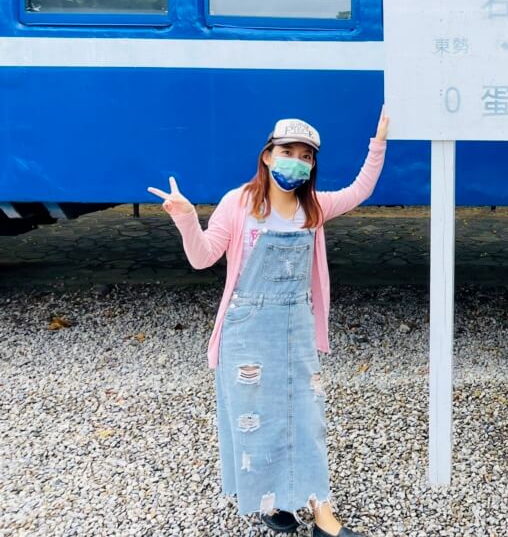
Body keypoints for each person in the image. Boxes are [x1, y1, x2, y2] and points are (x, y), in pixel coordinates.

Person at [148, 112, 388, 537]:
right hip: (245, 330)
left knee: (306, 417)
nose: (295, 161)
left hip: (296, 326)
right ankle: (271, 501)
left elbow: (360, 190)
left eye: (305, 156)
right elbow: (202, 257)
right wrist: (186, 219)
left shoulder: (313, 208)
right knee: (255, 420)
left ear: (313, 165)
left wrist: (379, 142)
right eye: (286, 152)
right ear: (267, 155)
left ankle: (322, 514)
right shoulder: (237, 203)